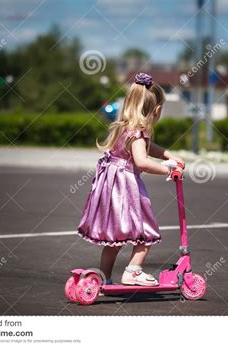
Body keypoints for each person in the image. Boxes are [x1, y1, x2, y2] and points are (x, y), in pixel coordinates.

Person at [78, 73, 185, 286]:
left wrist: (168, 154)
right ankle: (133, 272)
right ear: (156, 111)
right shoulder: (139, 133)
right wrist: (168, 169)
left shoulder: (126, 128)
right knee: (145, 233)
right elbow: (142, 161)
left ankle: (104, 279)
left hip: (111, 188)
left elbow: (147, 148)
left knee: (115, 239)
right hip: (125, 188)